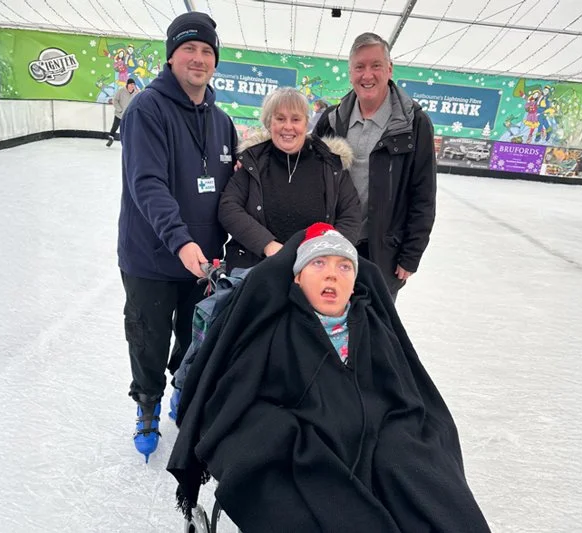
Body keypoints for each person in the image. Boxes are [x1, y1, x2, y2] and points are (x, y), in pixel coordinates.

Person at [168, 223, 490, 533]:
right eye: (318, 263)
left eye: (344, 267)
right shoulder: (273, 330)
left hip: (375, 434)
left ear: (355, 282)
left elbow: (402, 394)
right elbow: (238, 399)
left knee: (420, 476)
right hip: (303, 440)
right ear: (297, 279)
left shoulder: (374, 328)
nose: (332, 274)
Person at [117, 11, 237, 462]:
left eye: (207, 51)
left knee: (195, 339)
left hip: (203, 261)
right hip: (150, 258)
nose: (199, 58)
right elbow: (146, 183)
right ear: (171, 57)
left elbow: (231, 192)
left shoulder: (221, 121)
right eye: (189, 48)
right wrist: (181, 241)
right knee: (147, 339)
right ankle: (147, 404)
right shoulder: (147, 110)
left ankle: (182, 391)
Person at [313, 32, 437, 299]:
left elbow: (423, 194)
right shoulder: (332, 121)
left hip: (383, 255)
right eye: (359, 67)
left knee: (373, 331)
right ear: (350, 72)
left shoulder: (414, 124)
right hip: (332, 247)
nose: (367, 75)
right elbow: (303, 172)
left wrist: (411, 254)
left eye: (375, 65)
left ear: (389, 69)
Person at [218, 87, 361, 273]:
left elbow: (351, 215)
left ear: (306, 123)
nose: (288, 127)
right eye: (280, 119)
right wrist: (268, 245)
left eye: (295, 119)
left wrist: (324, 254)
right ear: (269, 123)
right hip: (257, 269)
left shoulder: (330, 163)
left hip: (314, 273)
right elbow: (228, 207)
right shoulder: (252, 161)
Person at [106, 78, 137, 147]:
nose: (132, 86)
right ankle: (111, 138)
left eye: (133, 84)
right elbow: (115, 100)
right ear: (127, 85)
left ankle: (126, 142)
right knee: (115, 127)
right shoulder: (121, 91)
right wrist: (119, 109)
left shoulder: (135, 93)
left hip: (128, 115)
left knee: (127, 129)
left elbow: (136, 103)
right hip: (119, 114)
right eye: (131, 84)